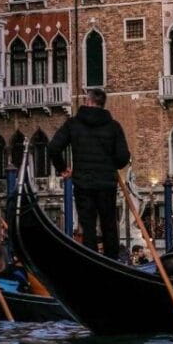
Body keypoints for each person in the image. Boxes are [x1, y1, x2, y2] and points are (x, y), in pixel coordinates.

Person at [48, 88, 131, 260]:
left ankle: (92, 261)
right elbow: (123, 157)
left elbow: (53, 148)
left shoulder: (73, 124)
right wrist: (109, 165)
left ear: (88, 101)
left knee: (88, 226)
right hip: (106, 184)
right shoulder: (114, 126)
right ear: (102, 104)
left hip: (83, 183)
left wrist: (63, 168)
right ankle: (112, 262)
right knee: (109, 225)